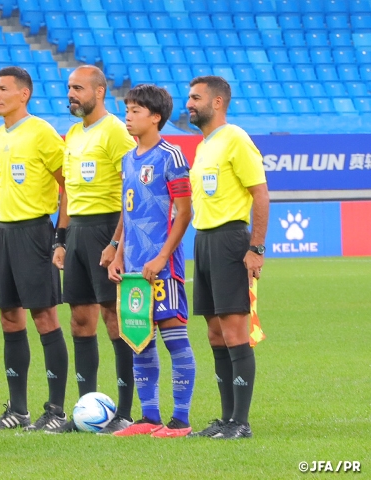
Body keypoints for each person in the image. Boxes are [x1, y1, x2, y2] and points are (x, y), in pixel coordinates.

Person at [0, 66, 70, 432]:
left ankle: (56, 410)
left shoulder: (42, 132)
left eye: (3, 89)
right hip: (2, 232)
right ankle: (17, 410)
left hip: (35, 232)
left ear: (24, 94)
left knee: (44, 317)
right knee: (8, 317)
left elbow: (68, 185)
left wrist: (61, 236)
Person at [107, 85, 196, 438]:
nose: (128, 117)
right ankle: (149, 417)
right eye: (127, 110)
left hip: (163, 266)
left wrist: (161, 257)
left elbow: (185, 212)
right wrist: (117, 253)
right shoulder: (128, 159)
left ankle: (181, 420)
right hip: (133, 267)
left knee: (174, 338)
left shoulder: (171, 156)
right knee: (139, 339)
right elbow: (128, 211)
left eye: (135, 111)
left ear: (155, 117)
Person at [52, 65, 137, 434]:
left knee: (113, 317)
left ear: (99, 92)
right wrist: (60, 238)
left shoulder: (115, 131)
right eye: (69, 88)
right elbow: (67, 191)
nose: (71, 94)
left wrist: (117, 244)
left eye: (78, 88)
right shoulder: (72, 134)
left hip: (107, 227)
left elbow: (131, 192)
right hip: (77, 233)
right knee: (80, 319)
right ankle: (84, 410)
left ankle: (125, 412)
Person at [185, 76, 269, 439]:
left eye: (195, 98)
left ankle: (241, 422)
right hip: (203, 241)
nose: (189, 104)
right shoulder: (204, 145)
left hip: (230, 240)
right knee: (215, 332)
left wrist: (256, 248)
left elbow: (260, 194)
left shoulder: (235, 138)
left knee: (234, 330)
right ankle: (225, 419)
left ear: (217, 102)